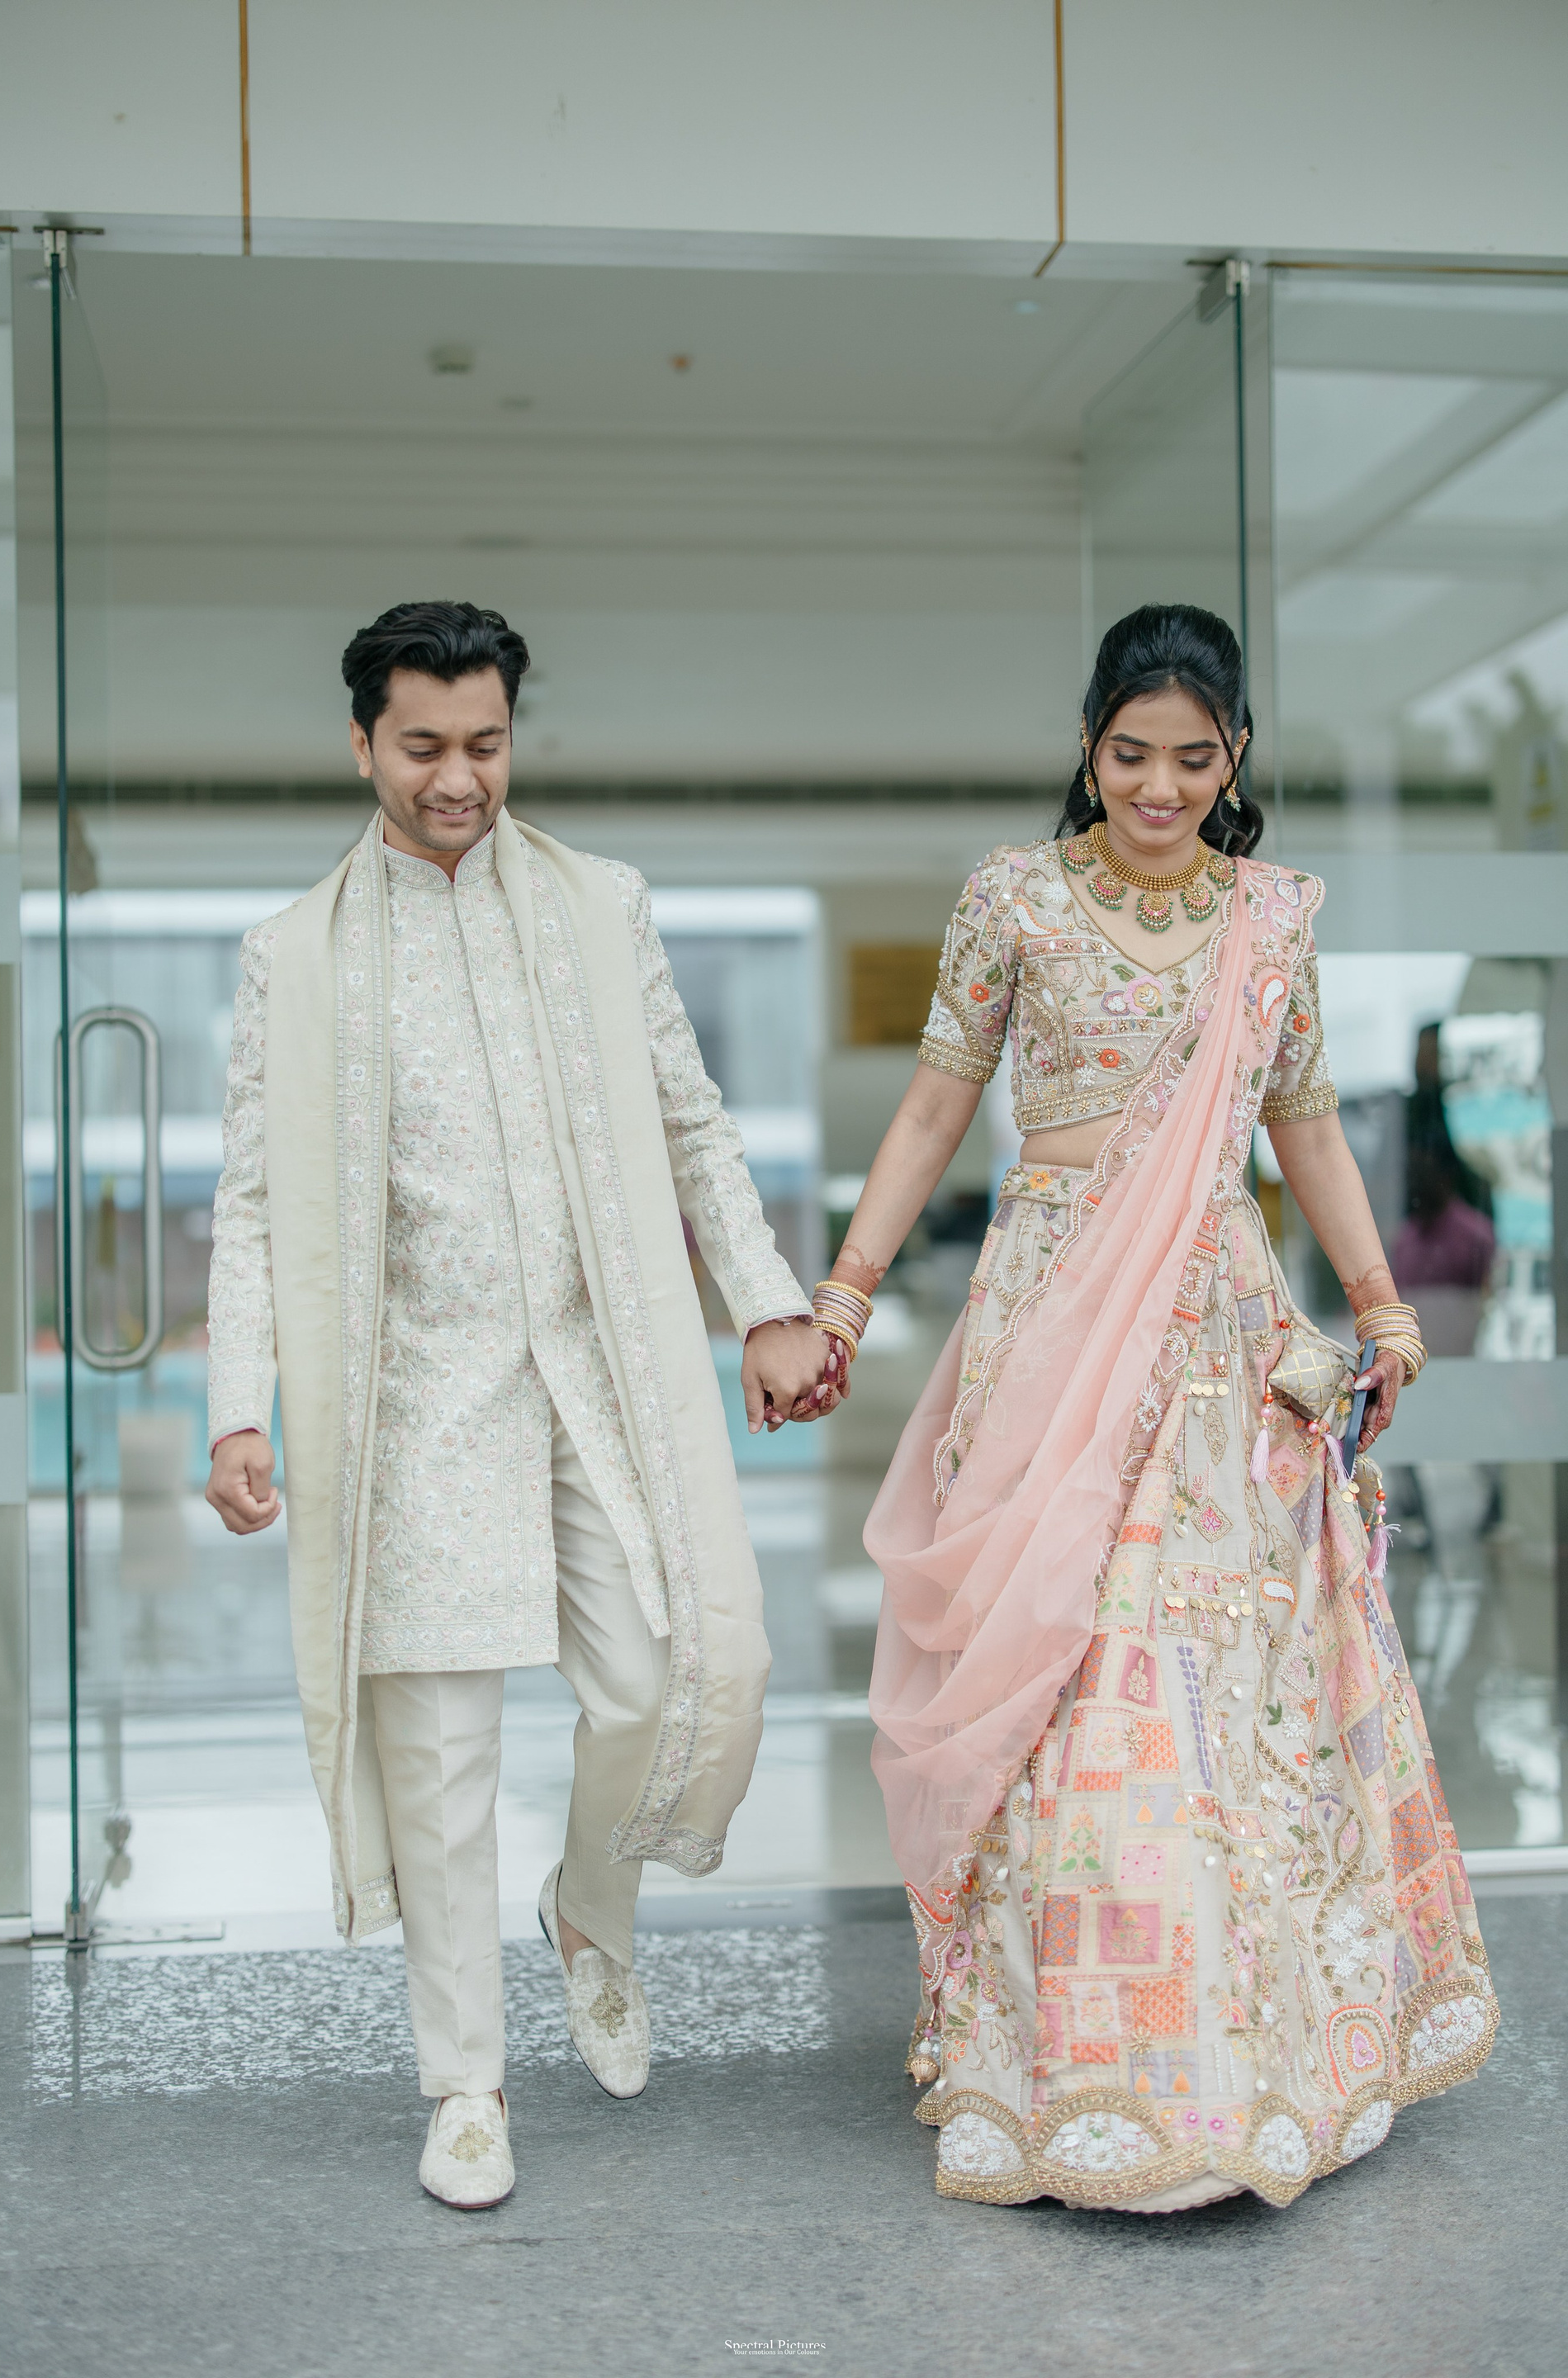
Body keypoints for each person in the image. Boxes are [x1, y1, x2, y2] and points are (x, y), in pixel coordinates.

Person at [810, 604, 1495, 2211]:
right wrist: (843, 1292)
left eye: (1194, 758)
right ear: (1089, 745)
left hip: (1213, 1334)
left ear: (1236, 755)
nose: (1161, 788)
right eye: (1131, 755)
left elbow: (1304, 1128)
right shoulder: (1014, 898)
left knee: (1201, 1673)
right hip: (1049, 1319)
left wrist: (1380, 1303)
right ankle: (1059, 2054)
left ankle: (1228, 2054)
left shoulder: (1273, 919)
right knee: (1057, 1669)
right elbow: (934, 1109)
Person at [204, 601, 832, 2207]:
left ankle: (588, 1915)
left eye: (485, 744)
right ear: (362, 745)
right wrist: (235, 1406)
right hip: (415, 1401)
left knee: (668, 1679)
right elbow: (255, 1204)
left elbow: (693, 1122)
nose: (459, 778)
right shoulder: (292, 957)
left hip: (595, 1369)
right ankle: (466, 2087)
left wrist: (768, 1302)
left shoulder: (598, 905)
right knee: (439, 1756)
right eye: (423, 745)